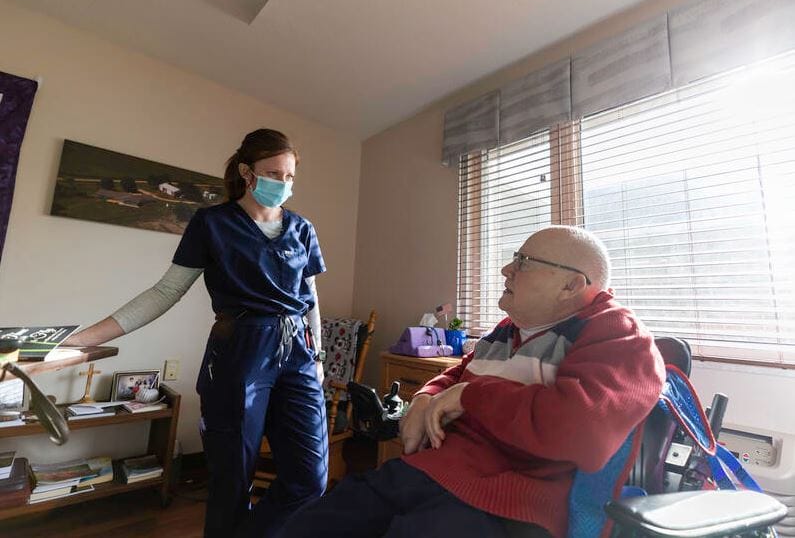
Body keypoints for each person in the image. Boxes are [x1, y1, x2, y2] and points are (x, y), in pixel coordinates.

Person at [276, 225, 666, 538]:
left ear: (571, 285)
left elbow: (583, 433)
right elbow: (456, 376)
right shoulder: (507, 329)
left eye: (523, 262)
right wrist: (425, 398)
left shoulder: (618, 334)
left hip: (506, 500)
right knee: (311, 523)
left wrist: (470, 396)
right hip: (429, 472)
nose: (507, 269)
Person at [65, 129, 328, 538]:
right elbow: (165, 291)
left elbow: (310, 298)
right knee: (230, 482)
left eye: (290, 176)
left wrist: (319, 356)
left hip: (298, 354)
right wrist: (83, 339)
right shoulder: (212, 223)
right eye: (274, 174)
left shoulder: (302, 228)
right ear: (247, 173)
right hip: (239, 352)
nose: (284, 183)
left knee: (310, 480)